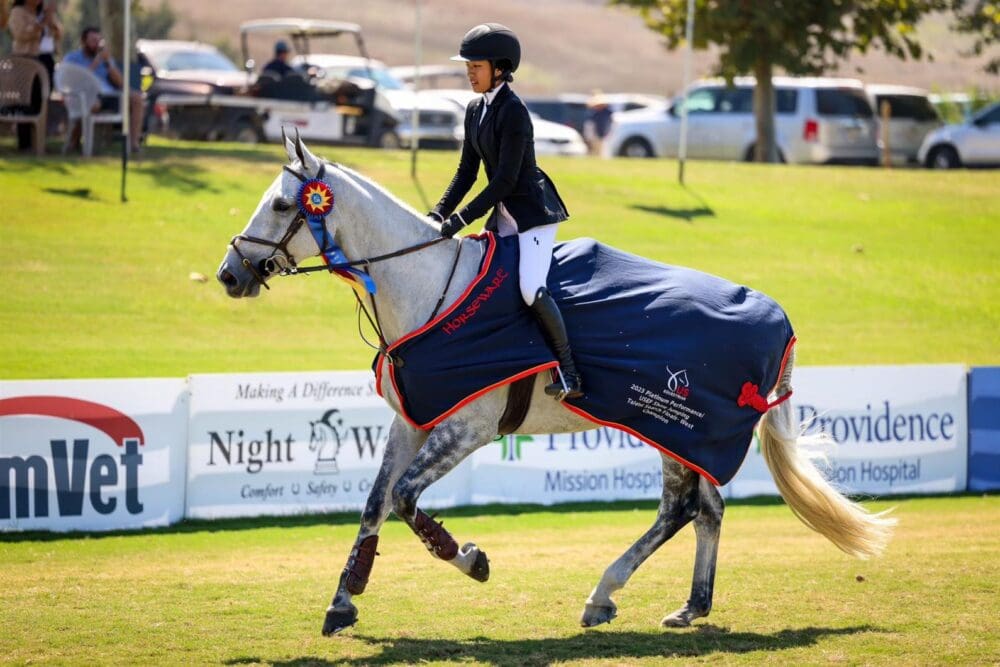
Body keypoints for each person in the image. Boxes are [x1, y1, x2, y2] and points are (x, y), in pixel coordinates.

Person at [428, 23, 582, 400]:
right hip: (503, 214)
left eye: (476, 66)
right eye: (467, 66)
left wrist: (459, 221)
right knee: (484, 282)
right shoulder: (474, 109)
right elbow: (466, 171)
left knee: (530, 287)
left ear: (500, 68)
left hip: (531, 214)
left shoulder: (515, 113)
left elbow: (505, 182)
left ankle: (569, 373)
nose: (469, 73)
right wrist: (436, 214)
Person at [63, 26, 143, 154]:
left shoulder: (104, 58)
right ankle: (75, 140)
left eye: (99, 40)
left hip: (109, 95)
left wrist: (108, 64)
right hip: (85, 95)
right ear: (83, 41)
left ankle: (133, 144)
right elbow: (77, 81)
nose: (96, 44)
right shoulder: (72, 58)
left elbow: (120, 83)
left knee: (136, 99)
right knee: (92, 106)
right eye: (93, 40)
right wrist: (96, 62)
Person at [7, 0, 59, 151]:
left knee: (42, 100)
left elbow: (58, 33)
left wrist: (51, 20)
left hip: (46, 60)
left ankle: (39, 143)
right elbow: (20, 34)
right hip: (27, 60)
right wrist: (41, 23)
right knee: (26, 100)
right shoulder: (18, 12)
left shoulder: (45, 13)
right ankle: (25, 143)